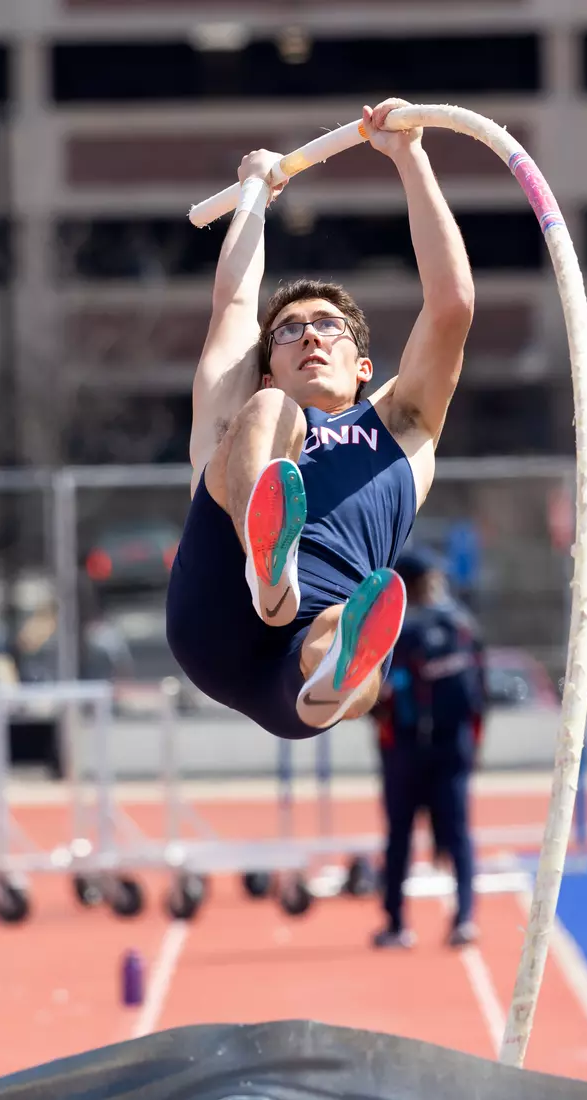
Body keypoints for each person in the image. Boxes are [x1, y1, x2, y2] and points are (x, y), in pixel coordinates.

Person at [166, 98, 475, 740]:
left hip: (303, 656)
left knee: (348, 630)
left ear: (363, 366)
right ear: (267, 362)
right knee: (272, 415)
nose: (309, 336)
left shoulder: (404, 426)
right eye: (289, 331)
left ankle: (334, 672)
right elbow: (233, 302)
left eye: (327, 327)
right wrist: (254, 192)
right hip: (219, 606)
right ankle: (266, 565)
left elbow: (451, 306)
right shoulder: (246, 402)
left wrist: (409, 157)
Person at [371, 547, 487, 948]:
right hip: (453, 746)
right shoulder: (462, 625)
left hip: (402, 748)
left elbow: (371, 693)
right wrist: (475, 747)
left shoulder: (390, 627)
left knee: (399, 837)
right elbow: (479, 694)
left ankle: (396, 923)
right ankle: (465, 918)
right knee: (458, 834)